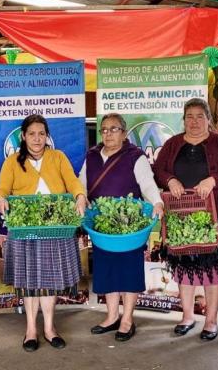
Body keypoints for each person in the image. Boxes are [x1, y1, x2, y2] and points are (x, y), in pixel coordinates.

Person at [153, 98, 218, 341]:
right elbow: (158, 170)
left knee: (212, 271)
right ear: (183, 120)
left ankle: (211, 320)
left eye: (199, 116)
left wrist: (214, 179)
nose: (194, 121)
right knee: (184, 270)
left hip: (213, 217)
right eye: (189, 116)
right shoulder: (173, 144)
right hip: (181, 218)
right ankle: (187, 316)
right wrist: (170, 180)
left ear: (208, 119)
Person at [0, 114, 87, 352]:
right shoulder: (12, 162)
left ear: (47, 137)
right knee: (28, 282)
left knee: (49, 282)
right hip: (24, 229)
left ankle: (49, 328)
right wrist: (0, 198)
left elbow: (73, 183)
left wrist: (79, 196)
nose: (37, 139)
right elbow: (2, 189)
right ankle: (31, 330)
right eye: (32, 134)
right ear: (23, 136)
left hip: (54, 227)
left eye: (41, 134)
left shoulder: (58, 157)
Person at [79, 113, 164, 342]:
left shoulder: (135, 156)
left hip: (128, 226)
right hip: (102, 225)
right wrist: (79, 198)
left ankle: (127, 319)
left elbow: (148, 184)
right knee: (106, 270)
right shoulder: (93, 156)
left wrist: (157, 202)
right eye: (104, 129)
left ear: (124, 133)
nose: (108, 133)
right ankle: (111, 316)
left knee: (128, 271)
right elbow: (82, 184)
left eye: (113, 129)